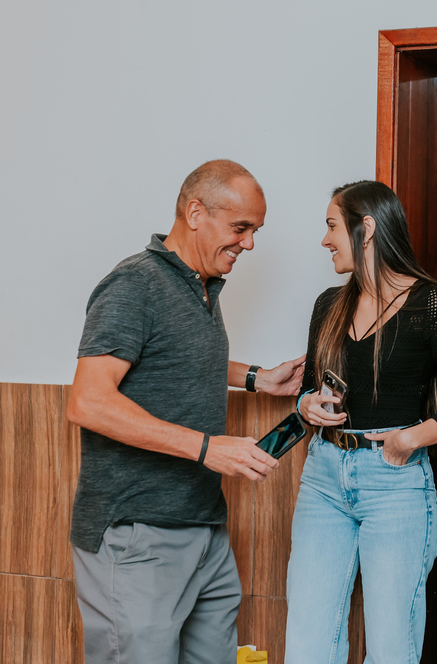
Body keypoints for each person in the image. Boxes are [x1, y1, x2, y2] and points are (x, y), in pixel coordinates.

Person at [67, 159, 305, 663]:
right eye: (240, 228)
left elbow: (173, 355)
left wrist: (258, 378)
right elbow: (88, 401)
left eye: (256, 231)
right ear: (196, 213)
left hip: (204, 528)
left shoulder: (200, 284)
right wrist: (206, 448)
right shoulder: (135, 284)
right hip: (136, 534)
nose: (249, 244)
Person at [287, 180, 437, 663]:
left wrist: (410, 438)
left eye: (332, 226)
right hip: (323, 477)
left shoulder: (432, 304)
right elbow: (310, 387)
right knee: (308, 641)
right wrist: (307, 405)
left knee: (391, 644)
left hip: (396, 483)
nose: (325, 240)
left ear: (367, 228)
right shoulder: (328, 305)